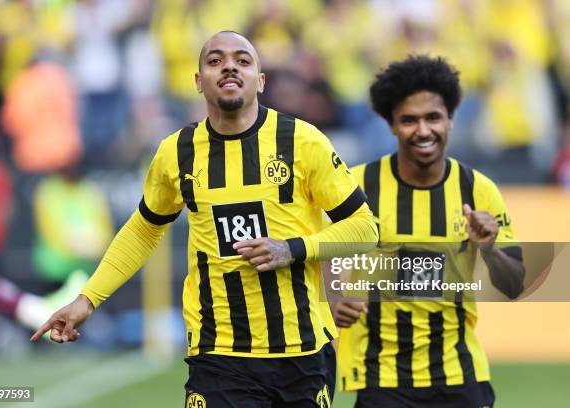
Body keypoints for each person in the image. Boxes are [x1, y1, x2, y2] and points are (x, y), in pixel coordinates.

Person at [31, 31, 378, 407]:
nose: (229, 66)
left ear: (260, 81)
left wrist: (292, 249)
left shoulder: (303, 142)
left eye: (243, 60)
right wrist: (87, 300)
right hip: (218, 355)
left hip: (302, 353)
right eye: (215, 60)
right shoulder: (176, 153)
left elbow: (365, 228)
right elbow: (144, 229)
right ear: (198, 81)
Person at [334, 55, 525, 407]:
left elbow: (514, 285)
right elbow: (318, 258)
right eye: (409, 120)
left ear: (451, 120)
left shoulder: (478, 190)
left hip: (460, 376)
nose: (422, 130)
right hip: (381, 381)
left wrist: (490, 249)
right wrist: (333, 299)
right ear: (391, 125)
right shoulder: (356, 186)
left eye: (433, 117)